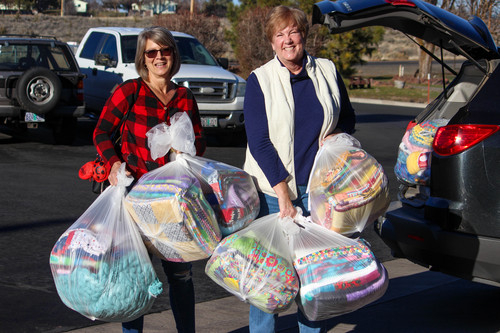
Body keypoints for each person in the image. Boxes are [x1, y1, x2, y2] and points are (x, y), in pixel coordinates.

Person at [242, 6, 356, 333]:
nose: (288, 40)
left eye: (293, 31)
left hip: (320, 192)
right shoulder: (260, 80)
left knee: (314, 282)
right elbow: (260, 141)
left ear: (304, 35)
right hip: (272, 194)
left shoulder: (327, 71)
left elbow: (347, 117)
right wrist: (283, 195)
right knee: (269, 284)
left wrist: (337, 135)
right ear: (272, 43)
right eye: (280, 34)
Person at [93, 26, 205, 333]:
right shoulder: (129, 92)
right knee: (137, 277)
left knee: (181, 277)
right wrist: (114, 164)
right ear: (143, 58)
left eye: (164, 51)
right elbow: (101, 131)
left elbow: (200, 142)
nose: (159, 58)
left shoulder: (184, 96)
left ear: (173, 54)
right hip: (136, 202)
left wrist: (185, 149)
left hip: (174, 204)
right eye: (152, 52)